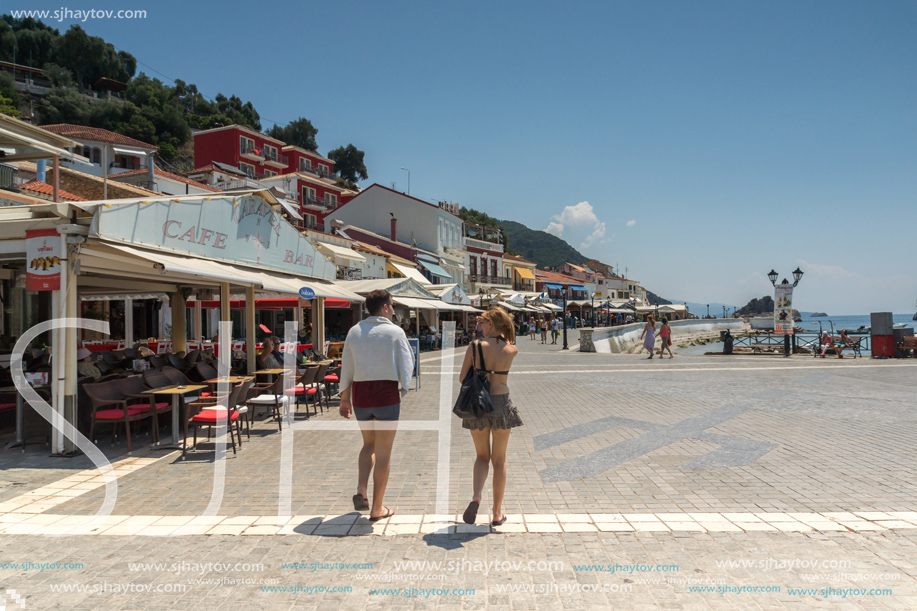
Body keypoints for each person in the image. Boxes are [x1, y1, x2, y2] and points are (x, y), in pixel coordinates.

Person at [339, 289, 414, 521]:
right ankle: (377, 507)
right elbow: (407, 363)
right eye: (391, 305)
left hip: (361, 395)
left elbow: (346, 366)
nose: (393, 309)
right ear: (385, 307)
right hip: (385, 394)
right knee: (384, 453)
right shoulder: (395, 332)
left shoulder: (354, 331)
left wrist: (344, 398)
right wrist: (402, 388)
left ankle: (361, 487)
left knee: (367, 445)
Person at [459, 307, 522, 527]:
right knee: (499, 460)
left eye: (483, 323)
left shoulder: (474, 346)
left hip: (479, 405)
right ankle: (496, 513)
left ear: (491, 324)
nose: (480, 327)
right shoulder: (511, 350)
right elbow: (504, 340)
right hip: (502, 403)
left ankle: (476, 496)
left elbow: (461, 379)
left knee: (482, 457)